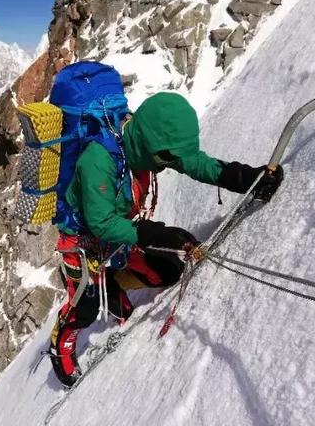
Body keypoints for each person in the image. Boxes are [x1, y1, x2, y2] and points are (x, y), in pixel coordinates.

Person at [48, 91, 284, 387]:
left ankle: (112, 280)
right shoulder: (98, 160)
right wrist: (152, 233)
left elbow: (191, 161)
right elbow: (101, 222)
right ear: (151, 146)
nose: (169, 163)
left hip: (118, 231)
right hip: (83, 240)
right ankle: (61, 343)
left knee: (169, 268)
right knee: (85, 308)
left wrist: (241, 178)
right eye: (166, 157)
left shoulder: (144, 144)